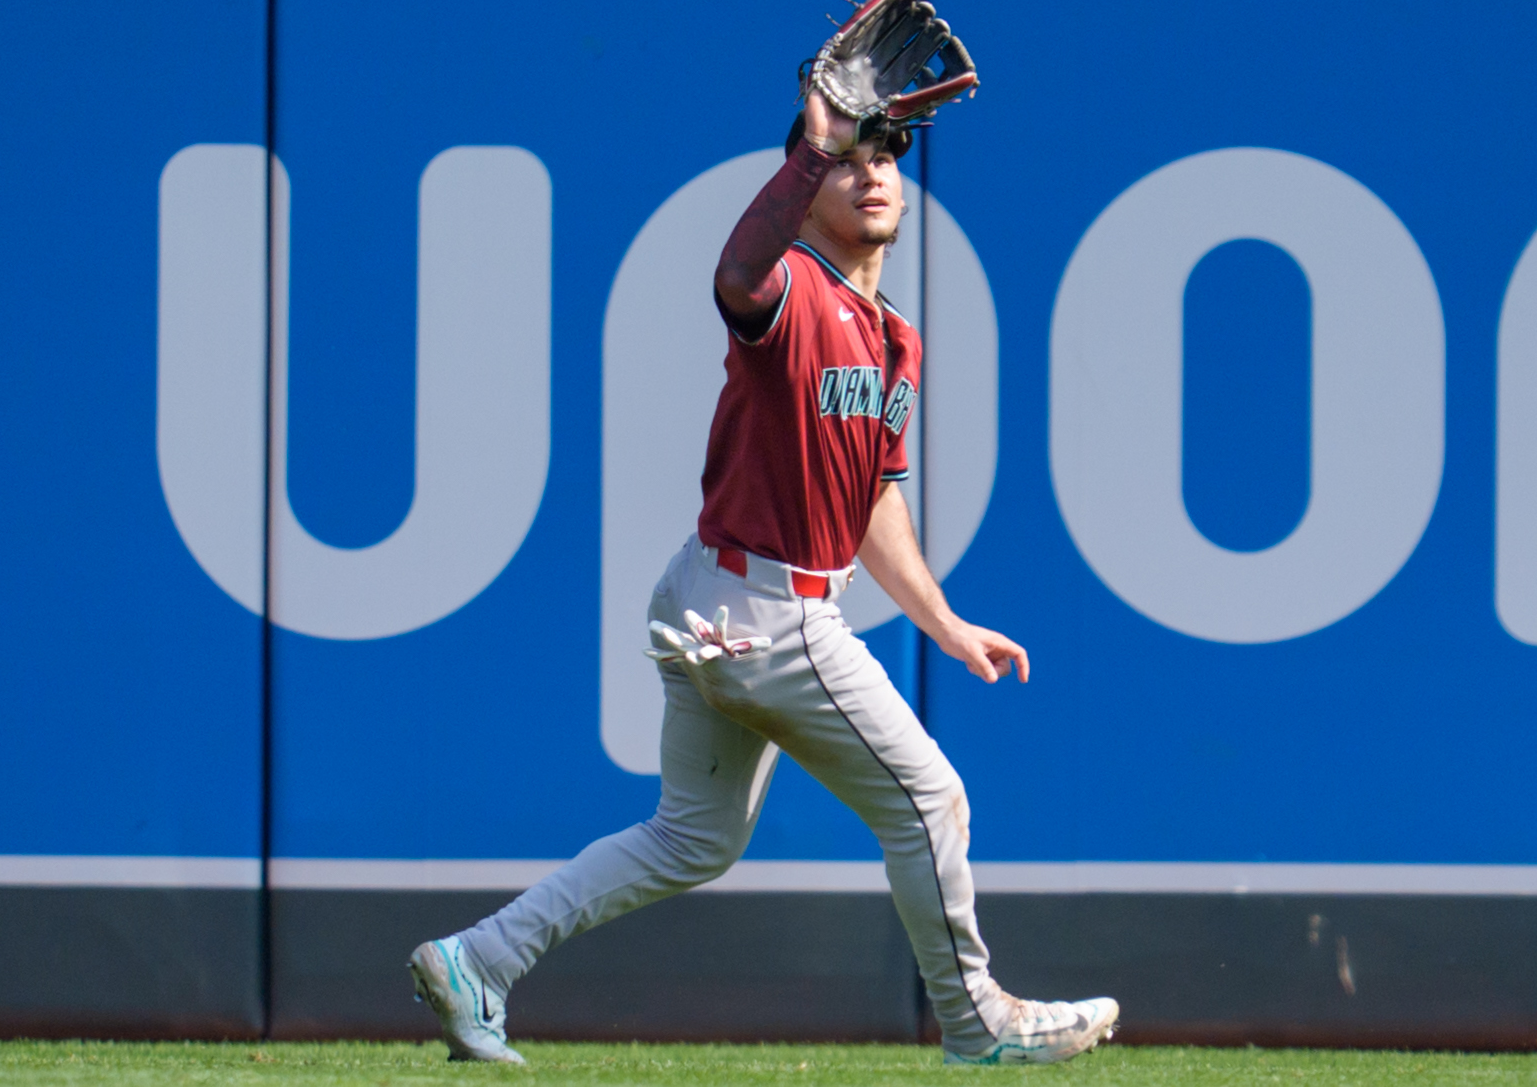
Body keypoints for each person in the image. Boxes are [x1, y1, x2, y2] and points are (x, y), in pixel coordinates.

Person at [407, 87, 1119, 1066]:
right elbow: (736, 275)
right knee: (930, 799)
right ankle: (976, 1019)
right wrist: (805, 149)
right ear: (805, 181)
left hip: (712, 597)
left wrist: (943, 620)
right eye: (845, 157)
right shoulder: (789, 288)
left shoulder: (893, 336)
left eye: (887, 154)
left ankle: (477, 959)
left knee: (690, 838)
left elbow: (872, 504)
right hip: (768, 611)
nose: (871, 170)